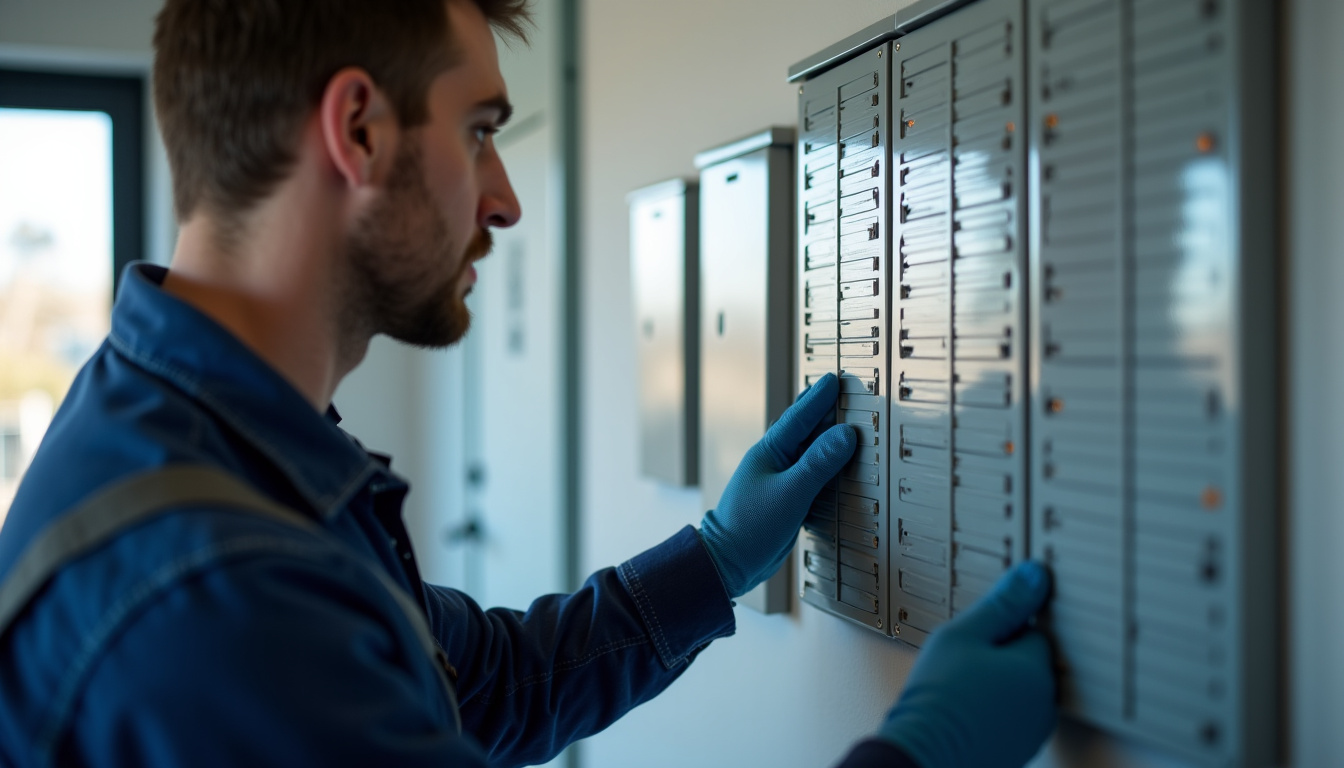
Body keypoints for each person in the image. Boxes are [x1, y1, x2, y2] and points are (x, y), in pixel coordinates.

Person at [0, 1, 1057, 766]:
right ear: (357, 130)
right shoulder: (215, 593)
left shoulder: (204, 443)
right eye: (481, 133)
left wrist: (716, 560)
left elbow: (480, 685)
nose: (504, 202)